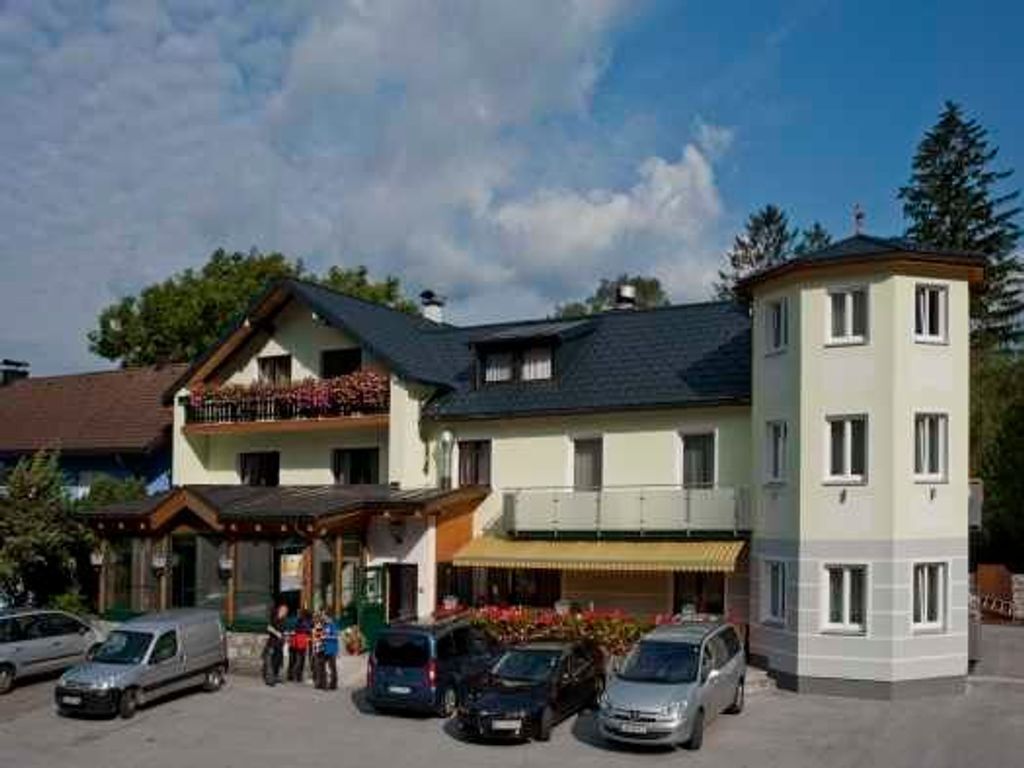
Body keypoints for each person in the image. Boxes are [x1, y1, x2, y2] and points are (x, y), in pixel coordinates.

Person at [262, 603, 288, 686]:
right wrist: (277, 633)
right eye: (284, 611)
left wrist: (285, 636)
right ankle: (270, 680)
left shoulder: (283, 620)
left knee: (277, 661)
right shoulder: (274, 618)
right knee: (270, 662)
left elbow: (283, 631)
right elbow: (268, 627)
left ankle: (274, 677)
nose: (285, 613)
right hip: (272, 644)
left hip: (279, 644)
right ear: (280, 610)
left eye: (286, 611)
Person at [288, 609, 311, 683]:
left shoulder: (298, 620)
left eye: (299, 613)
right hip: (300, 641)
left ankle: (292, 675)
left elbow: (292, 630)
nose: (298, 614)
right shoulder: (306, 622)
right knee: (299, 659)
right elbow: (308, 630)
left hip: (296, 641)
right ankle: (297, 676)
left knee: (294, 659)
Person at [320, 612, 339, 690]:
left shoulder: (332, 625)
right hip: (325, 649)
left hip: (331, 649)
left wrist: (326, 637)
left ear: (328, 617)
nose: (323, 617)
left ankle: (333, 684)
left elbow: (335, 636)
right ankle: (324, 684)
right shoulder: (324, 625)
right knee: (323, 666)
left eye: (324, 616)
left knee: (332, 667)